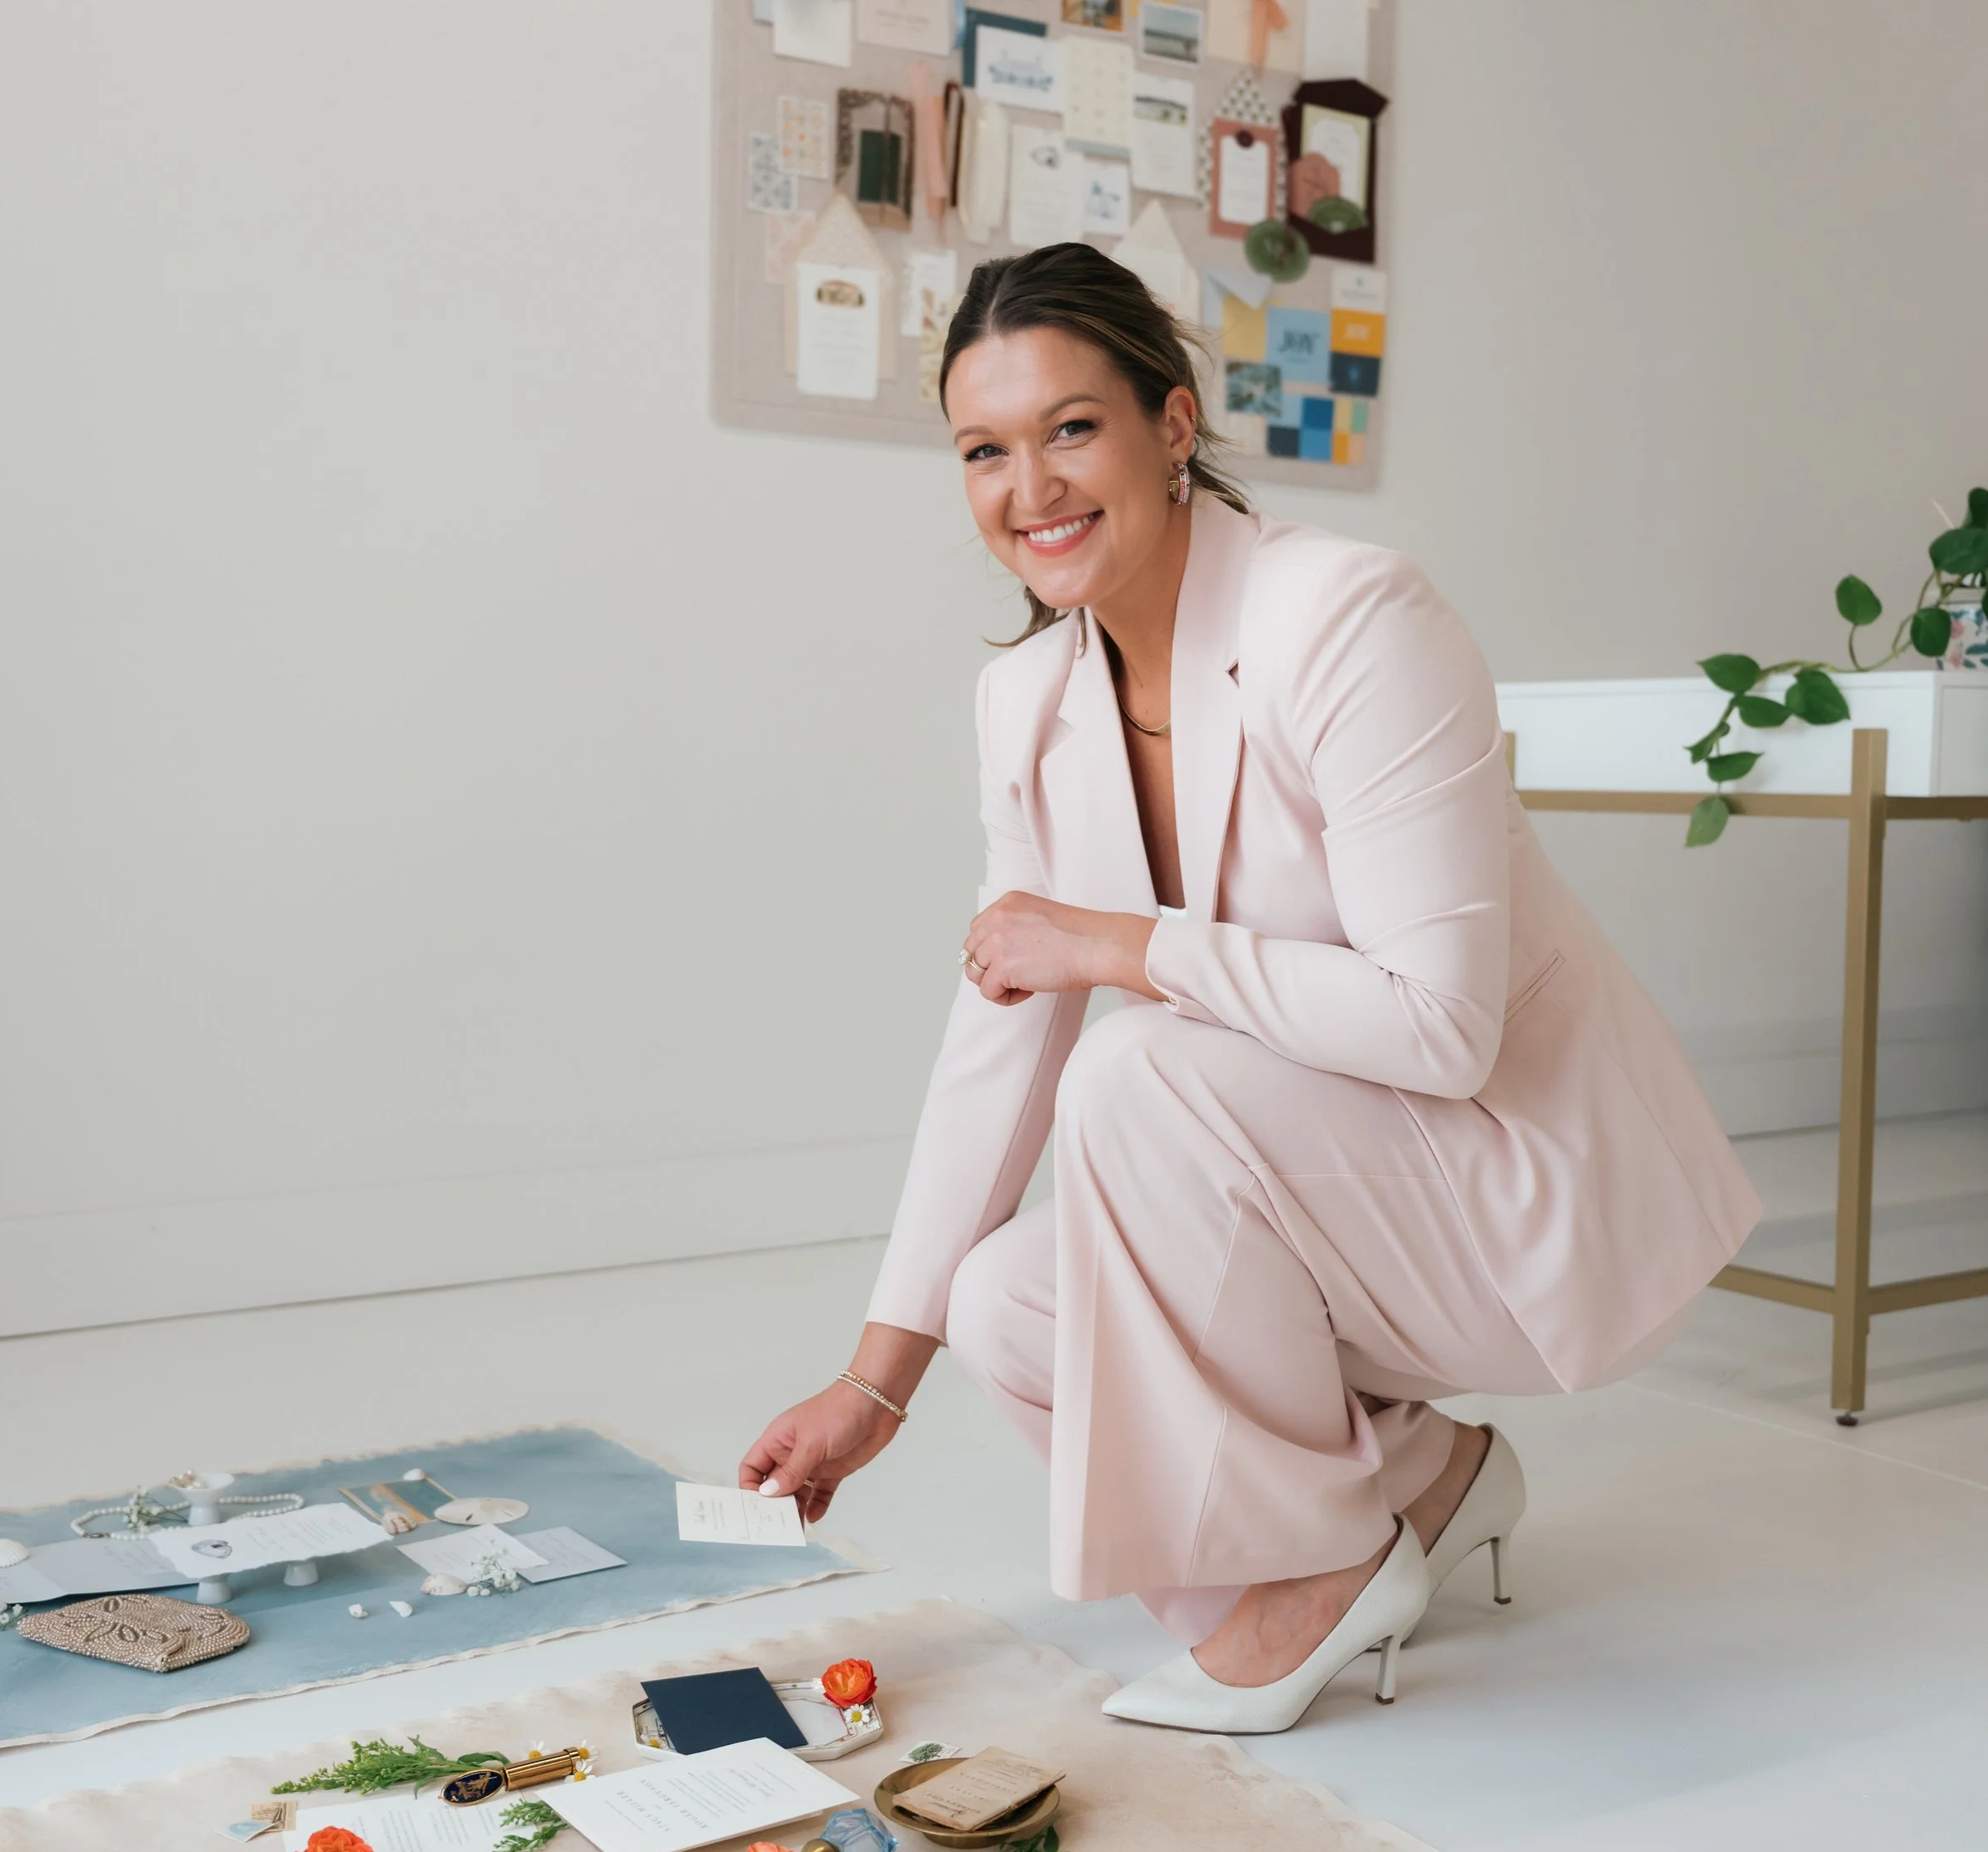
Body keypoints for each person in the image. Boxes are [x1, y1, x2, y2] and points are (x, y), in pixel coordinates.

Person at [740, 244, 1759, 1732]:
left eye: (1072, 428)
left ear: (1170, 422)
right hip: (1340, 1201)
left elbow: (1442, 1024)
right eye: (985, 451)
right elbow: (994, 1047)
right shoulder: (1024, 700)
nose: (1032, 488)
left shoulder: (1349, 618)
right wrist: (873, 1383)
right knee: (1006, 1297)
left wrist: (1116, 944)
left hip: (1511, 1194)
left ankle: (1329, 1563)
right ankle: (1425, 1484)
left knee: (1133, 1066)